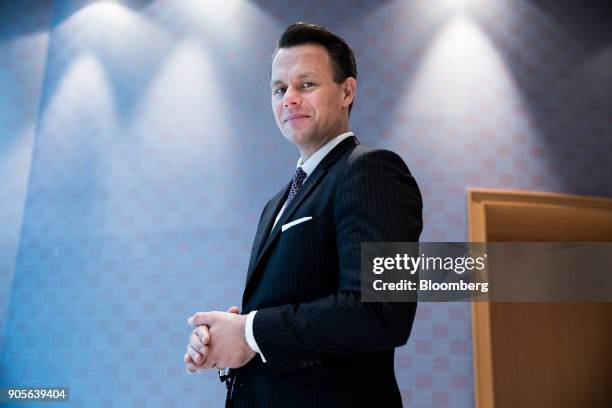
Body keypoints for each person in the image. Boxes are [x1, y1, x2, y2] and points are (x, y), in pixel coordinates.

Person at [183, 22, 423, 407]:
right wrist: (228, 337)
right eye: (280, 89)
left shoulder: (373, 170)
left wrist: (250, 331)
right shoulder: (275, 204)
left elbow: (382, 311)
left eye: (306, 84)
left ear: (347, 91)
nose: (289, 99)